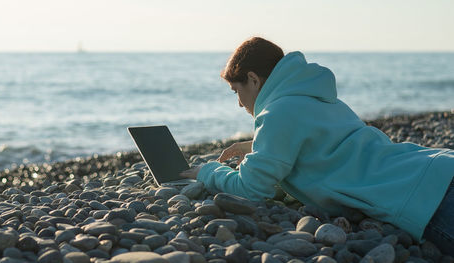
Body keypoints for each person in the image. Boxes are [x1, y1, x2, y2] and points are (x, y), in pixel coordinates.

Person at [180, 37, 454, 254]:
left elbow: (251, 189)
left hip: (425, 199)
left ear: (253, 79)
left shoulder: (277, 113)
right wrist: (258, 145)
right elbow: (325, 144)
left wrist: (206, 172)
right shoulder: (316, 97)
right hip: (434, 166)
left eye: (236, 92)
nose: (239, 103)